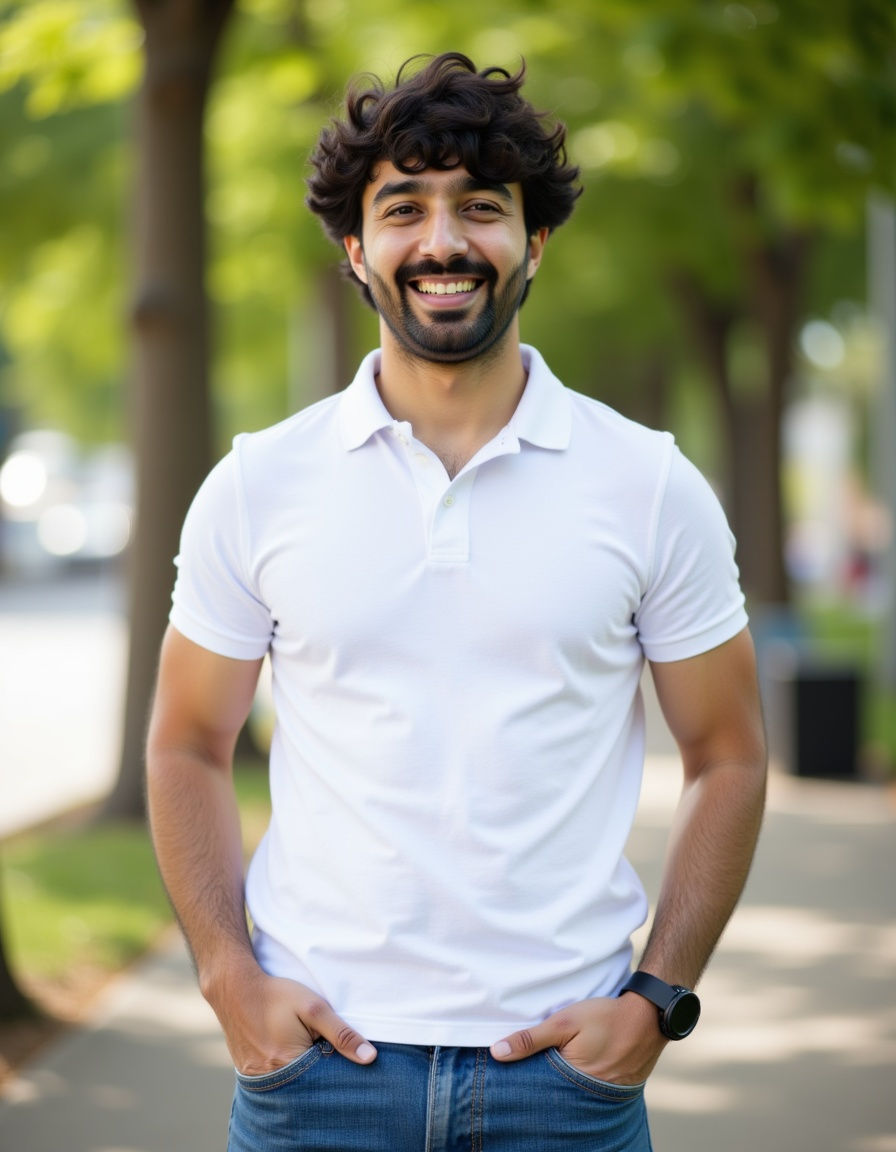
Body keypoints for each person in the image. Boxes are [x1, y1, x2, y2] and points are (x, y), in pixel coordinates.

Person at [146, 51, 767, 1152]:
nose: (442, 242)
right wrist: (227, 977)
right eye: (403, 210)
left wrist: (655, 1001)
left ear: (532, 243)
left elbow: (727, 752)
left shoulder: (648, 484)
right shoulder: (257, 484)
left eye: (480, 208)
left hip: (563, 1087)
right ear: (354, 248)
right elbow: (189, 740)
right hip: (315, 1077)